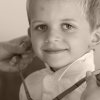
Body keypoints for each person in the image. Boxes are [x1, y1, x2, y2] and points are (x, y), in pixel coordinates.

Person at [1, 0, 100, 100]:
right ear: (30, 35)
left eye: (67, 26)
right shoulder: (29, 83)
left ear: (95, 37)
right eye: (41, 27)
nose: (51, 37)